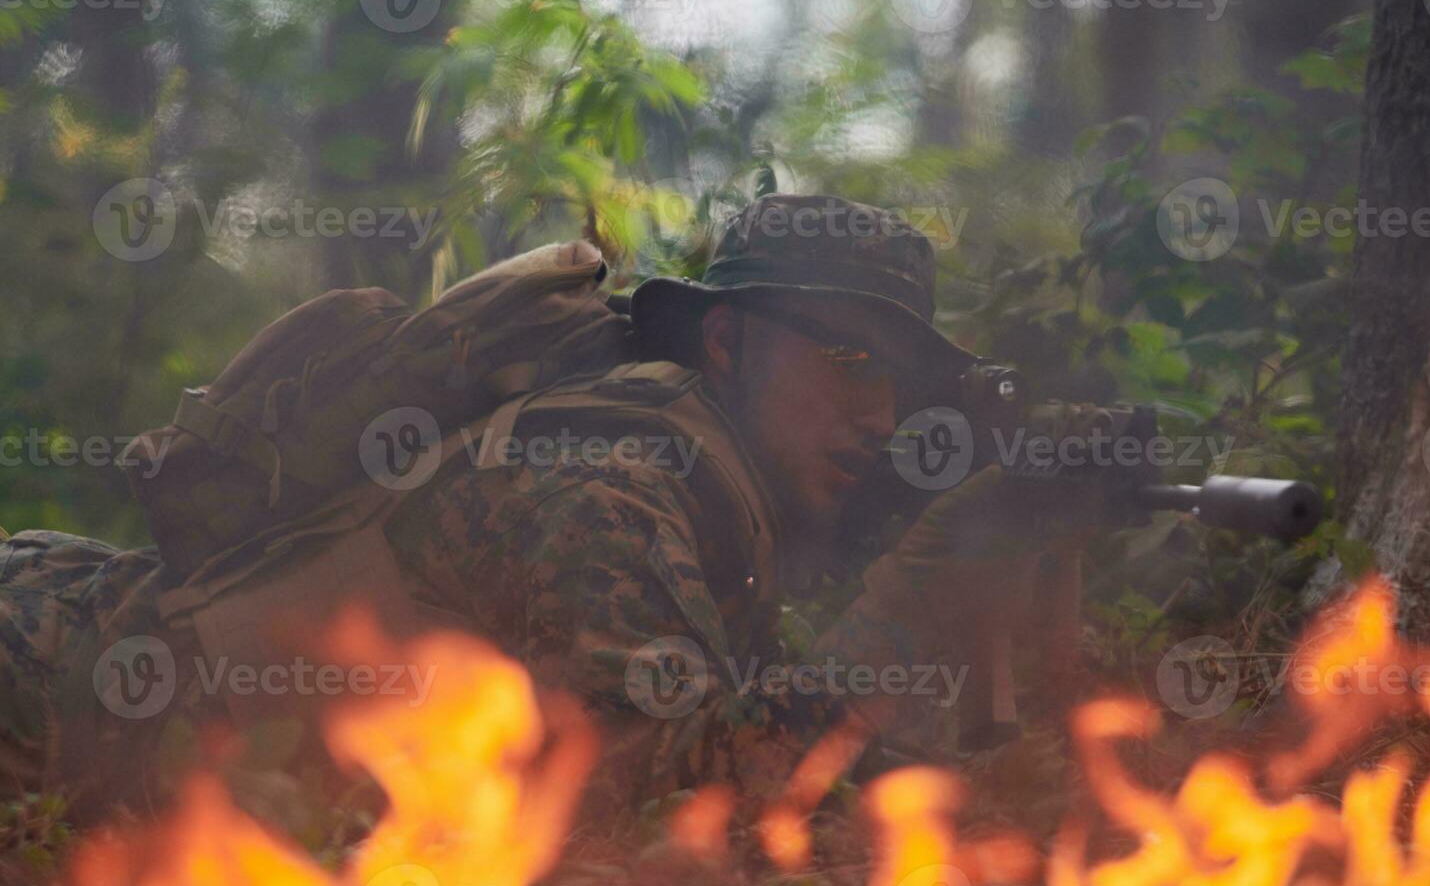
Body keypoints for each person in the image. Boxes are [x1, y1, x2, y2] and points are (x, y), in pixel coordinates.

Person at [384, 194, 1086, 812]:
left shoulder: (711, 491)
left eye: (899, 382)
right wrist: (914, 596)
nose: (883, 417)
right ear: (725, 342)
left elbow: (758, 732)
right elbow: (652, 792)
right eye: (852, 361)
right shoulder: (609, 489)